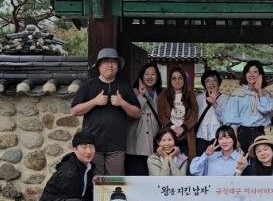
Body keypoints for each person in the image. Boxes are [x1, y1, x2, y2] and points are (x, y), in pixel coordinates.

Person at [71, 48, 141, 176]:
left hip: (117, 145)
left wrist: (122, 103)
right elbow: (75, 111)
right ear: (99, 66)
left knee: (114, 183)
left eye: (113, 62)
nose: (110, 65)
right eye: (106, 62)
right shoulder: (88, 85)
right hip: (92, 146)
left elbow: (137, 113)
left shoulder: (124, 86)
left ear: (118, 66)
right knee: (94, 181)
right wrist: (94, 101)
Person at [224, 60, 273, 152]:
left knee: (260, 159)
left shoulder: (265, 94)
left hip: (260, 133)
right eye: (249, 72)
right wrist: (235, 139)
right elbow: (232, 118)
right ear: (245, 74)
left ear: (260, 75)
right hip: (243, 133)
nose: (251, 75)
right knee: (243, 160)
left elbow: (267, 109)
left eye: (255, 72)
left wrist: (259, 90)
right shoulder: (238, 93)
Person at [125, 63, 162, 176]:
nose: (150, 77)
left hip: (155, 147)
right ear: (141, 76)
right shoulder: (132, 93)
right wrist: (141, 96)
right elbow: (130, 115)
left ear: (157, 77)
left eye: (153, 74)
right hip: (136, 147)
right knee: (137, 179)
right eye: (146, 74)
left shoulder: (161, 95)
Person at [158, 67, 198, 158]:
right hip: (169, 136)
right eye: (174, 78)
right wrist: (173, 127)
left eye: (180, 78)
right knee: (169, 162)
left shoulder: (190, 95)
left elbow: (194, 114)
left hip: (187, 136)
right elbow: (161, 115)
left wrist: (183, 128)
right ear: (170, 80)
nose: (177, 81)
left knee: (186, 162)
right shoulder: (163, 95)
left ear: (184, 80)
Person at [195, 69, 229, 156]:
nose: (211, 83)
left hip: (217, 138)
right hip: (200, 138)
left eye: (214, 80)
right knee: (201, 161)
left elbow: (225, 119)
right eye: (208, 81)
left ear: (219, 83)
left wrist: (215, 104)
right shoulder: (198, 99)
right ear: (204, 84)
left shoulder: (226, 99)